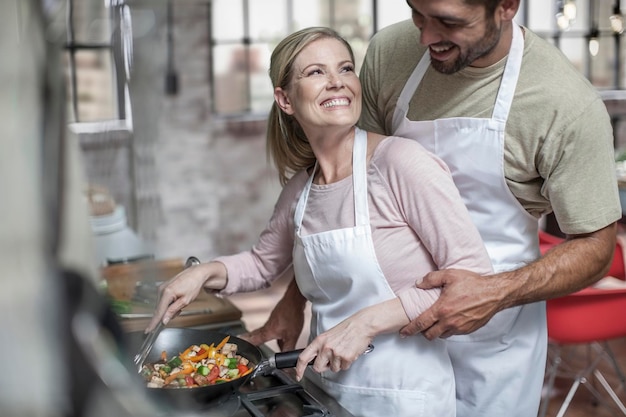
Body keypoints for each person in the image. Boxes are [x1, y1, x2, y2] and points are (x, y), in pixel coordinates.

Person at [241, 1, 623, 416]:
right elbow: (347, 186)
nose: (425, 38)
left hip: (494, 333)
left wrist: (493, 292)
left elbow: (597, 247)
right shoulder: (392, 52)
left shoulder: (564, 103)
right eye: (418, 15)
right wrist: (296, 296)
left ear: (507, 7)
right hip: (391, 330)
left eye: (448, 22)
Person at [147, 26, 493, 417]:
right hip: (325, 389)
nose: (336, 82)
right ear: (285, 99)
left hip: (407, 396)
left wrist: (368, 321)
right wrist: (200, 272)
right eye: (315, 72)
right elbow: (263, 264)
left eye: (345, 69)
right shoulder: (301, 190)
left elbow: (473, 279)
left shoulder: (401, 163)